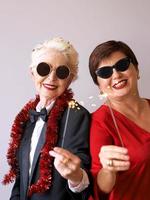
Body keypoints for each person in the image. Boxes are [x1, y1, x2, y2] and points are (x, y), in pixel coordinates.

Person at [3, 37, 91, 200]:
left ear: (70, 79)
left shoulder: (77, 115)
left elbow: (85, 182)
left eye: (61, 72)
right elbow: (21, 181)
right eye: (44, 69)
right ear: (32, 73)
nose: (51, 78)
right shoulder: (26, 117)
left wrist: (76, 177)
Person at [88, 40, 150, 200]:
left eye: (122, 65)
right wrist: (108, 170)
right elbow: (100, 189)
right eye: (104, 72)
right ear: (99, 86)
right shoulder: (99, 122)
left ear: (136, 69)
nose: (116, 75)